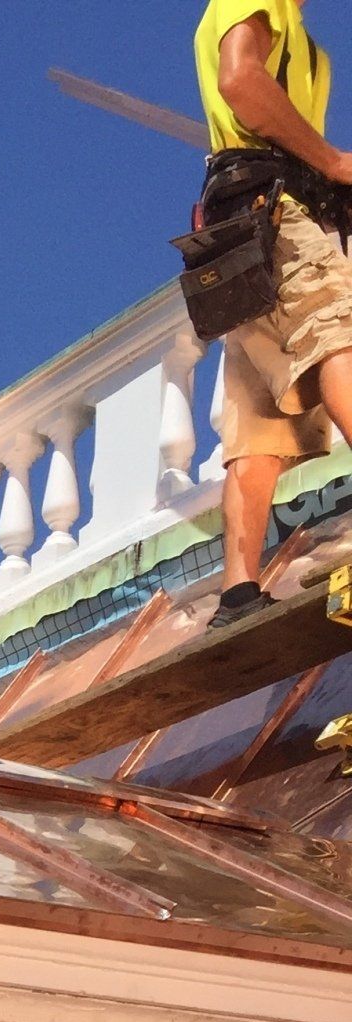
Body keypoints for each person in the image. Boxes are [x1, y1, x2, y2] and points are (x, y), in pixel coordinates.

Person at [195, 0, 352, 623]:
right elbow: (240, 81)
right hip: (277, 210)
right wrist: (333, 163)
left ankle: (238, 592)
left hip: (239, 235)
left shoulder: (303, 40)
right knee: (338, 336)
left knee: (258, 413)